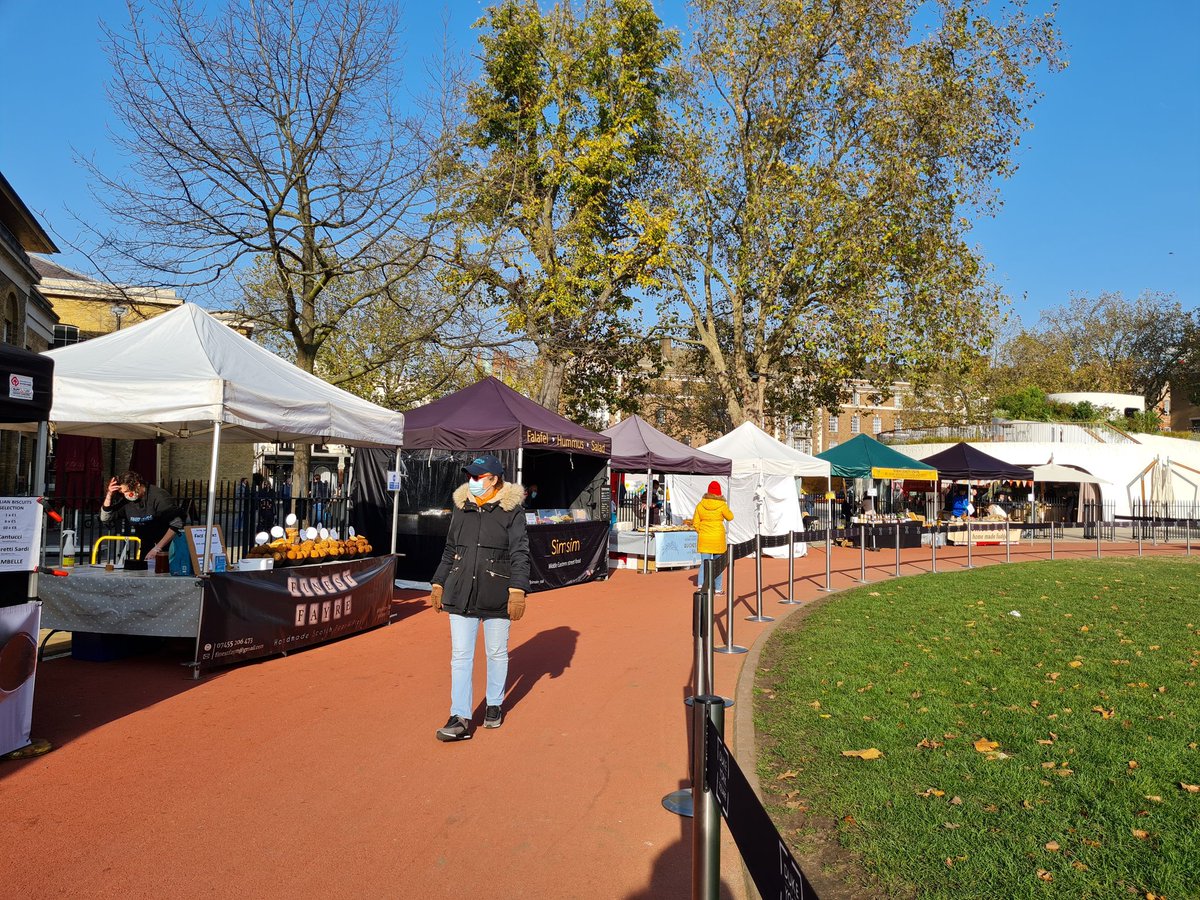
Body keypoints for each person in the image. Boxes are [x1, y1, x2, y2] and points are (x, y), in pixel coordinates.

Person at [430, 454, 530, 742]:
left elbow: (520, 553)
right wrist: (439, 582)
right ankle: (459, 715)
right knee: (460, 656)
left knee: (496, 652)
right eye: (470, 476)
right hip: (460, 589)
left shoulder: (512, 511)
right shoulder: (461, 507)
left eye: (478, 477)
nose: (472, 481)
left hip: (497, 589)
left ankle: (494, 704)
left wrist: (518, 589)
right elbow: (450, 549)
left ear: (493, 479)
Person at [99, 470, 185, 562]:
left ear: (137, 485)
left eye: (128, 491)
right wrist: (109, 495)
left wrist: (157, 548)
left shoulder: (159, 497)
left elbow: (176, 523)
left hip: (168, 546)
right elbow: (105, 518)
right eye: (123, 493)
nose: (126, 495)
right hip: (146, 545)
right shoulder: (126, 501)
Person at [690, 480, 733, 593]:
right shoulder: (722, 505)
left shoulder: (700, 504)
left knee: (704, 563)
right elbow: (730, 517)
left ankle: (701, 585)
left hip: (704, 538)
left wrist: (701, 530)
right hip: (718, 538)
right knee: (718, 565)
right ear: (719, 492)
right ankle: (718, 589)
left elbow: (695, 522)